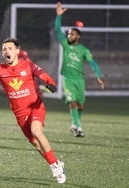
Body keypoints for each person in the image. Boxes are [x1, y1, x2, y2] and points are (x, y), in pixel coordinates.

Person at [0, 38, 66, 184]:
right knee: (36, 143)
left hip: (35, 106)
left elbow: (45, 77)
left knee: (36, 131)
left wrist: (51, 84)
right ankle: (57, 163)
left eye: (10, 48)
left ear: (17, 51)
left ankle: (54, 166)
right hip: (20, 114)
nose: (6, 51)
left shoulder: (28, 65)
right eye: (4, 49)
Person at [55, 2, 105, 137]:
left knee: (80, 105)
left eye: (72, 34)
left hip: (80, 80)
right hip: (68, 79)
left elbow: (92, 62)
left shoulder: (84, 50)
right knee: (72, 102)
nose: (69, 36)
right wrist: (58, 16)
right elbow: (58, 31)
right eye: (69, 34)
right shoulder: (65, 44)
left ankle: (74, 124)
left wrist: (99, 76)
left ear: (78, 36)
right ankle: (79, 127)